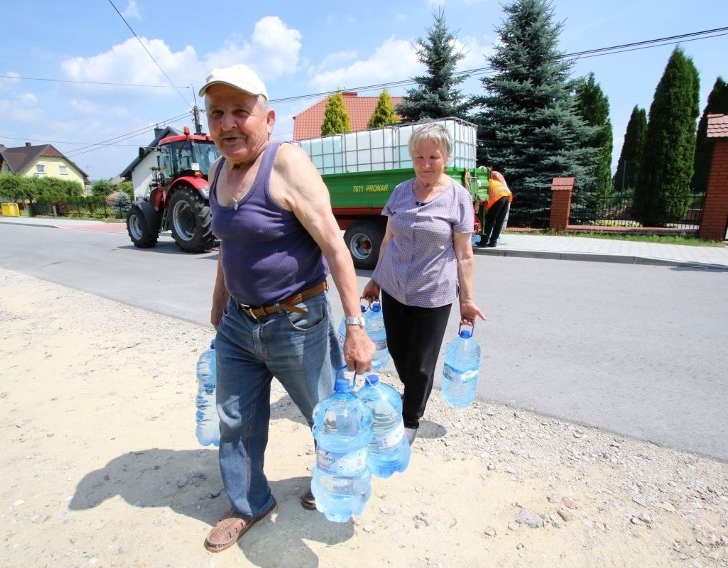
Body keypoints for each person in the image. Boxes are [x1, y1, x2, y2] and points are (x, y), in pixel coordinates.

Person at [199, 64, 375, 553]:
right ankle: (249, 504)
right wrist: (219, 306)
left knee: (324, 413)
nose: (228, 123)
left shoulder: (286, 164)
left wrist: (356, 327)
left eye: (240, 111)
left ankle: (334, 479)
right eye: (217, 113)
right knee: (234, 418)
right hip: (239, 322)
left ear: (268, 118)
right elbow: (227, 245)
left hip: (298, 321)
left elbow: (337, 250)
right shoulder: (218, 171)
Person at [362, 122, 486, 446]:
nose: (426, 164)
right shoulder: (401, 191)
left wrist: (468, 300)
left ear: (445, 157)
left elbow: (465, 254)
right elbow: (387, 240)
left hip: (433, 293)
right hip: (393, 287)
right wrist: (375, 280)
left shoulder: (458, 197)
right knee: (400, 353)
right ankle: (414, 394)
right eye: (419, 157)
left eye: (433, 156)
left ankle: (409, 419)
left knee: (420, 364)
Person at [481, 169, 512, 248]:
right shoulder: (494, 181)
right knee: (499, 221)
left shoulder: (484, 183)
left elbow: (481, 198)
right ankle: (493, 242)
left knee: (489, 221)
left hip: (498, 199)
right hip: (507, 197)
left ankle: (483, 242)